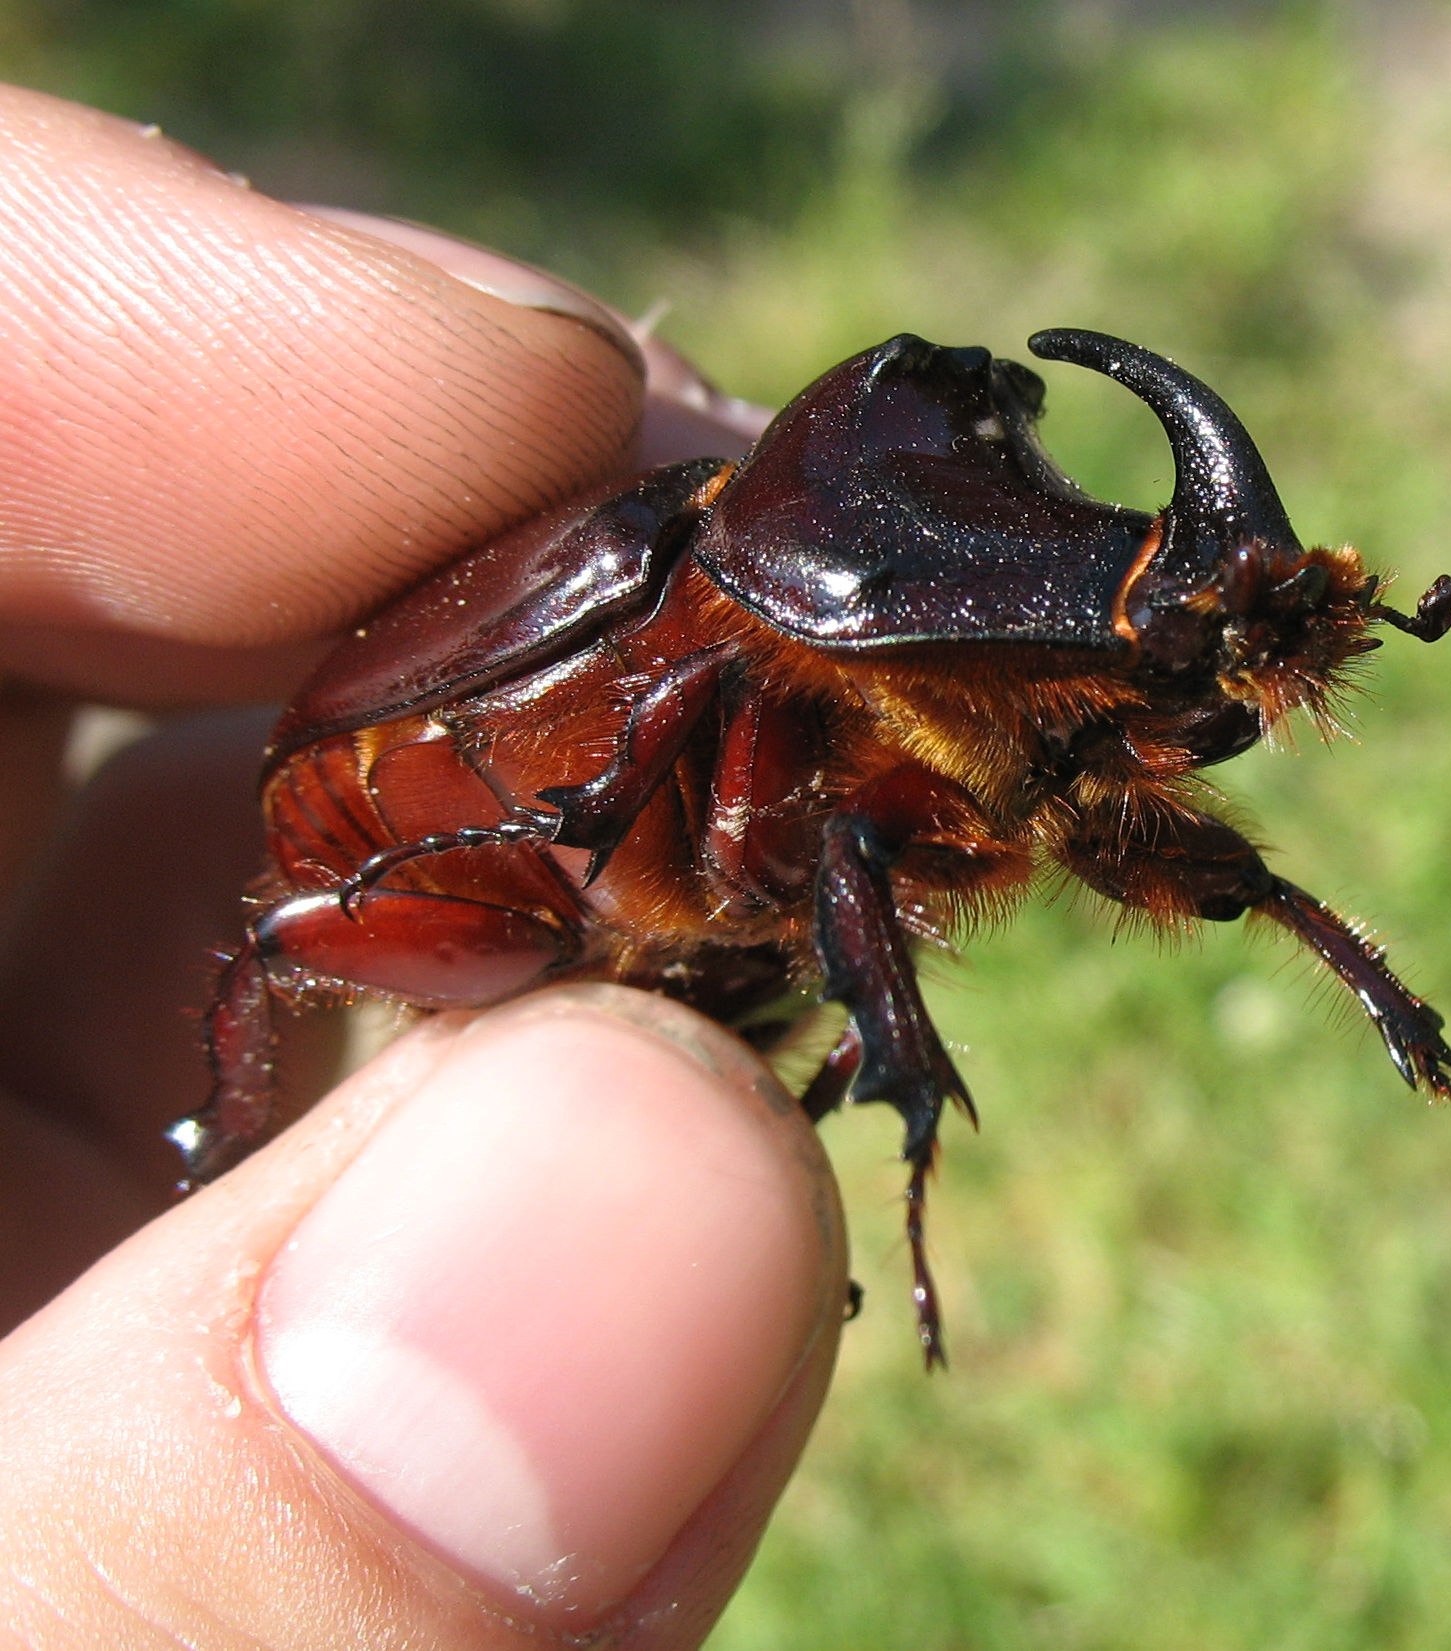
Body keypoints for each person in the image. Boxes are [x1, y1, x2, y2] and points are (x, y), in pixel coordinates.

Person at [0, 83, 847, 1649]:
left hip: (539, 865)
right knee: (291, 942)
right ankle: (218, 1162)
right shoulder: (675, 593)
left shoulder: (775, 715)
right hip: (393, 821)